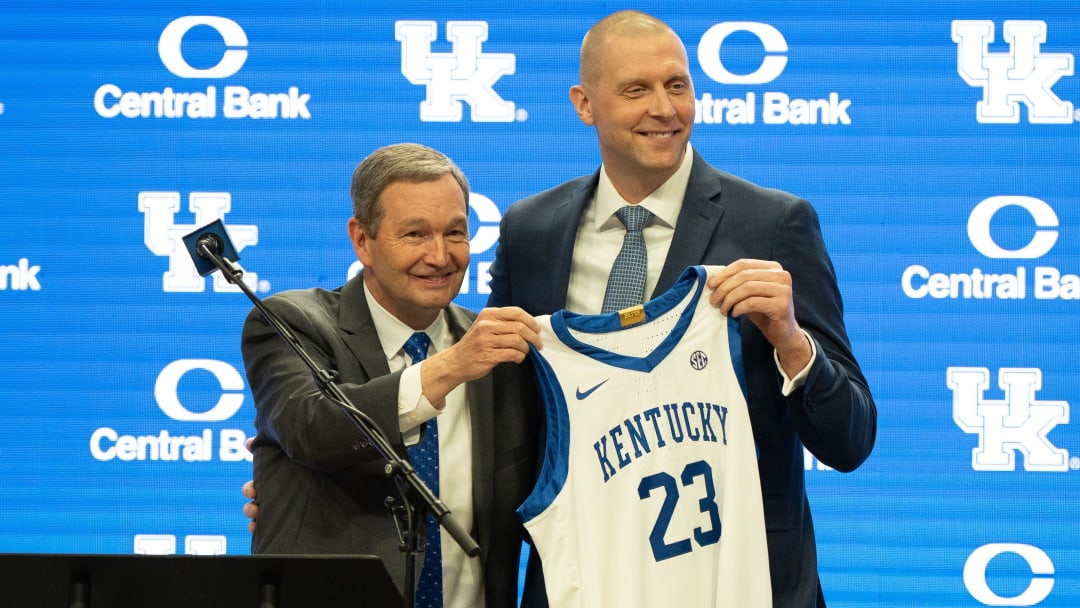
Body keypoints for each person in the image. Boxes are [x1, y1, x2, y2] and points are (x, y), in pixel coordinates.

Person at [485, 10, 877, 608]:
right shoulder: (530, 231)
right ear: (584, 104)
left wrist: (793, 343)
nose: (664, 109)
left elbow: (851, 440)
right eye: (636, 90)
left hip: (739, 579)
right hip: (586, 577)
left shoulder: (773, 225)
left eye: (677, 85)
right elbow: (514, 428)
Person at [240, 142, 543, 608]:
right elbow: (312, 428)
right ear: (362, 240)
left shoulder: (502, 356)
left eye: (456, 232)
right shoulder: (290, 322)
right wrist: (450, 366)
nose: (441, 256)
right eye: (416, 235)